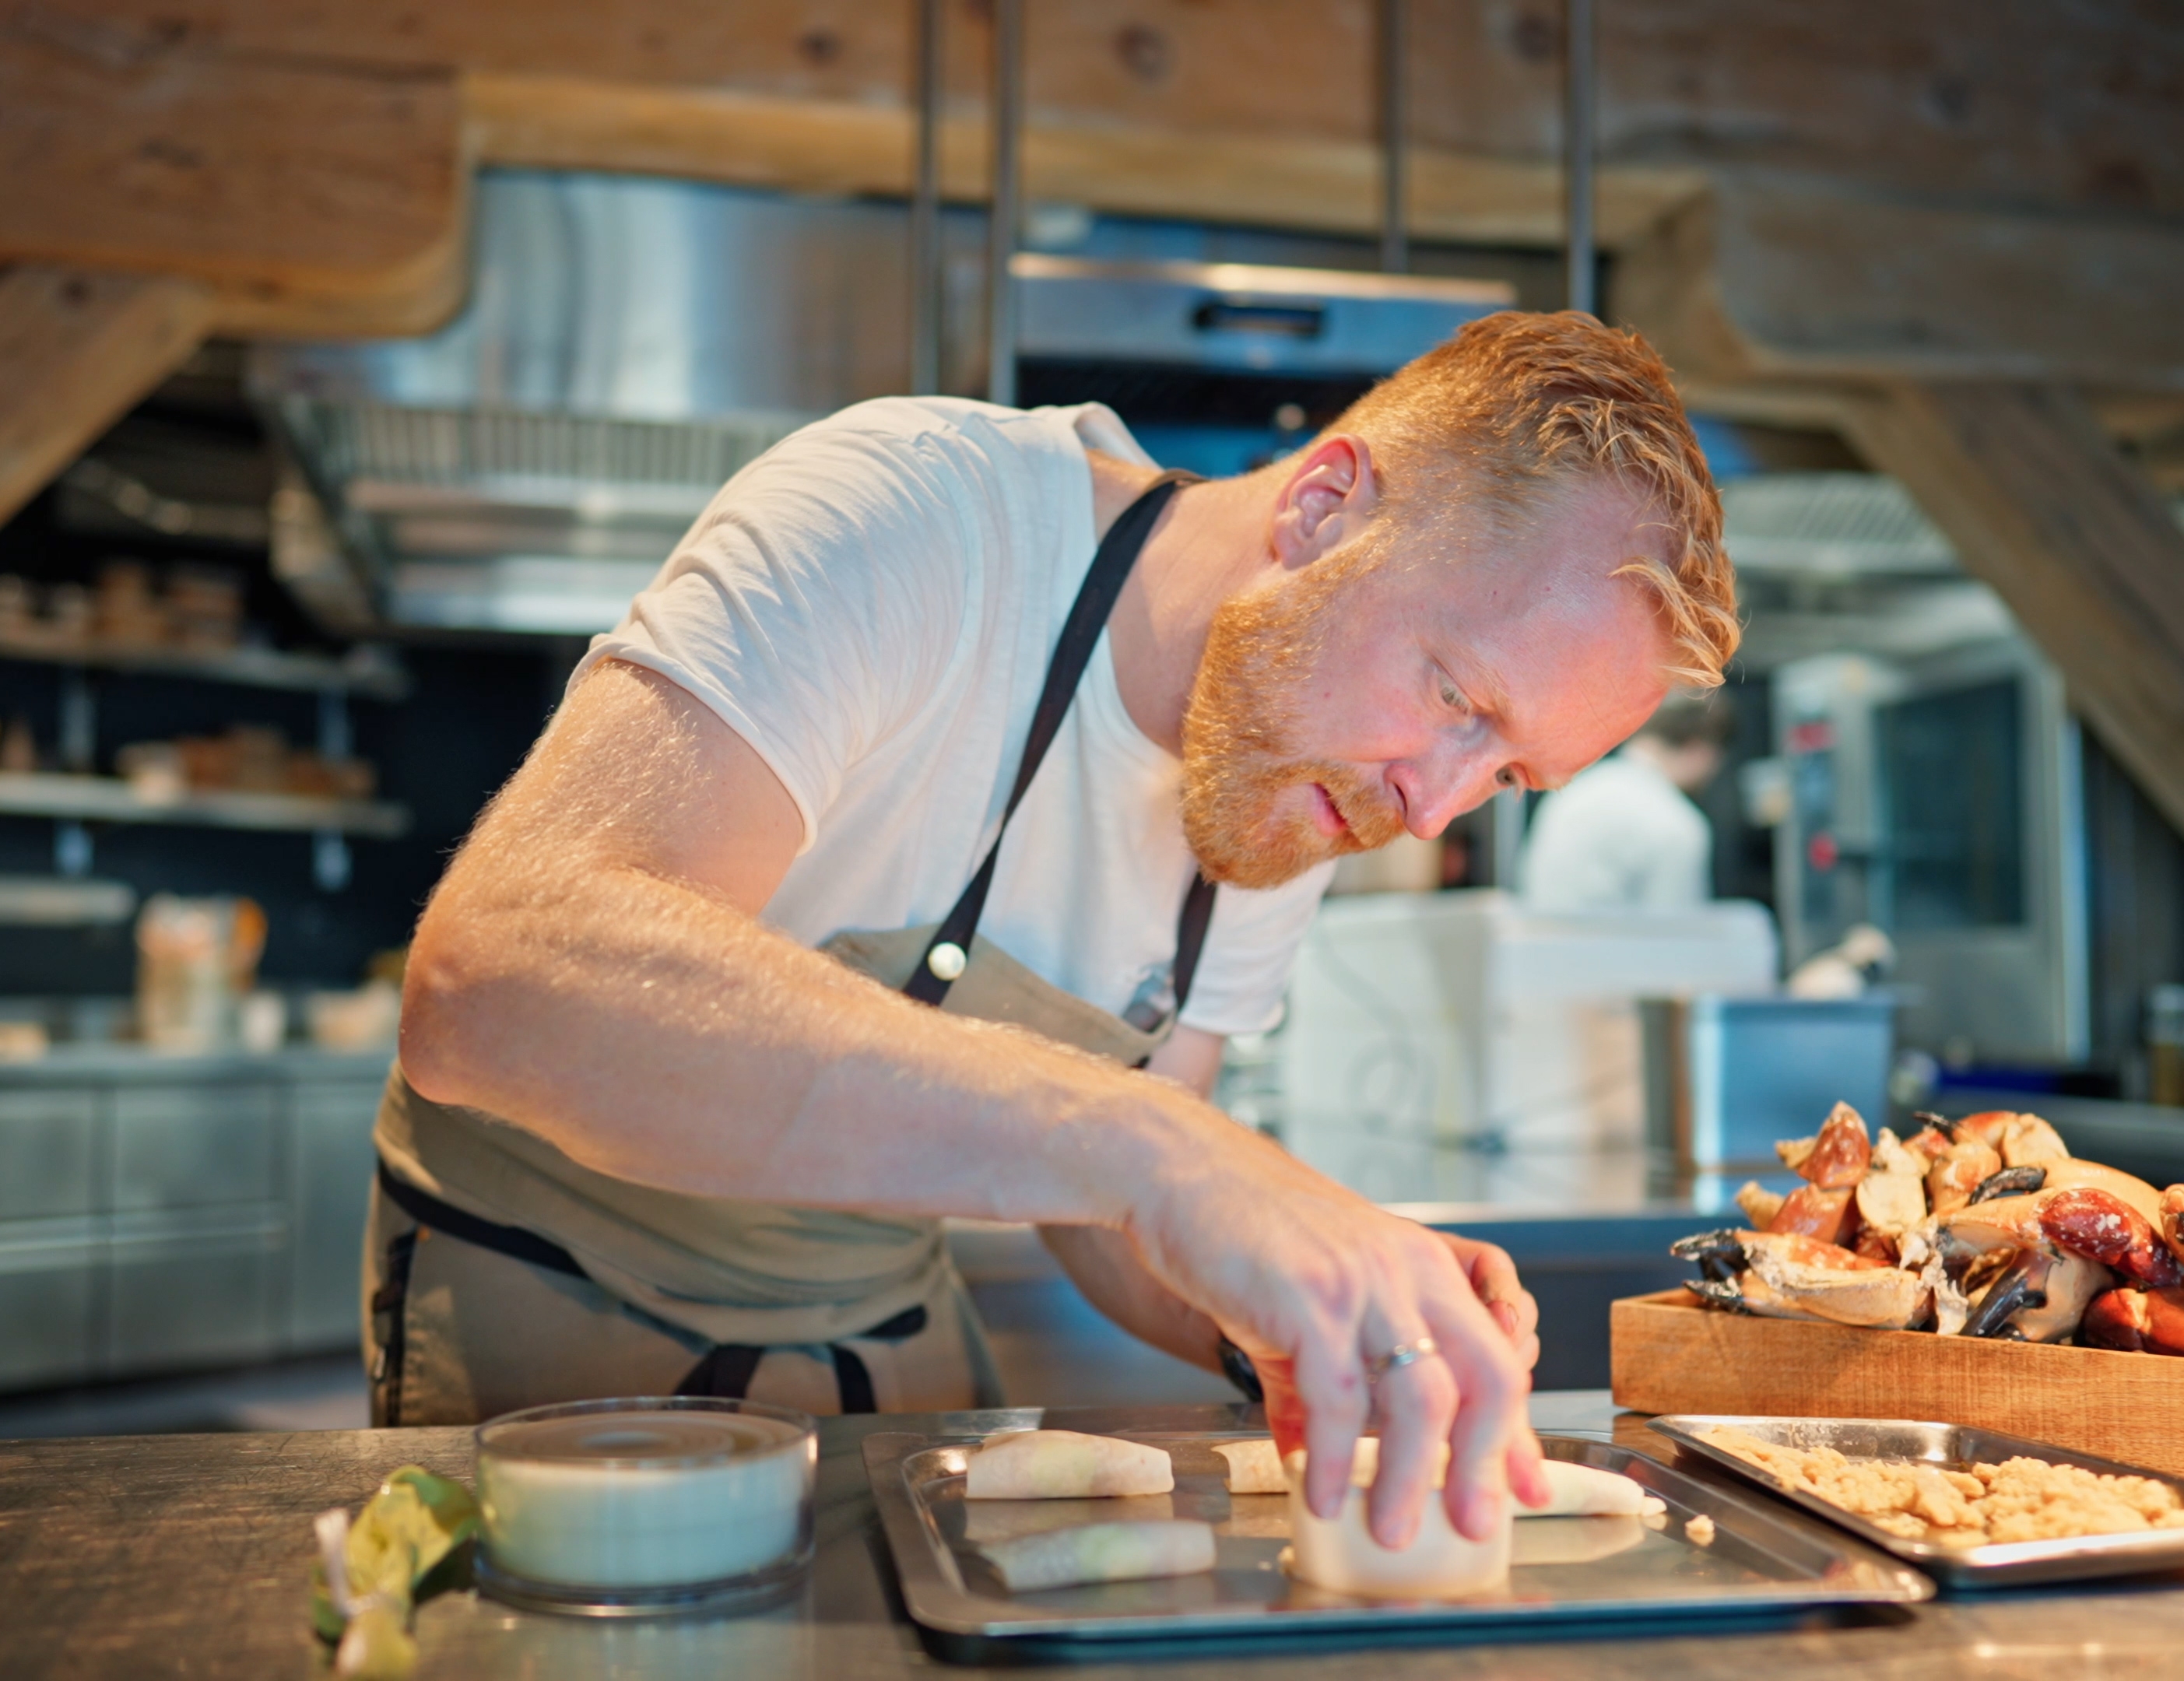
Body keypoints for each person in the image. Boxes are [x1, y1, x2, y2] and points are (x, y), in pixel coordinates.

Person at [380, 311, 1739, 1547]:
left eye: (1506, 774)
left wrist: (1309, 1308)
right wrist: (1164, 1149)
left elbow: (1109, 1224)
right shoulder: (917, 519)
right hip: (546, 1333)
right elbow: (493, 982)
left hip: (881, 1348)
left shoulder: (1300, 778)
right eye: (1456, 695)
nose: (1432, 804)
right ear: (1324, 506)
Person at [1515, 691, 1729, 912]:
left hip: (1545, 944)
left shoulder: (1574, 792)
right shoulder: (1675, 824)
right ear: (1701, 752)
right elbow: (1676, 935)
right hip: (1617, 946)